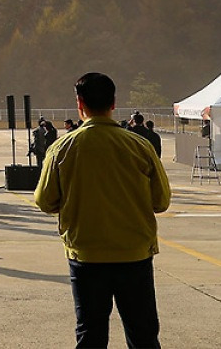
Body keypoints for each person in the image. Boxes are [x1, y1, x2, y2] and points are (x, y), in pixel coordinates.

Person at [35, 72, 171, 348]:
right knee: (143, 334)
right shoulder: (139, 146)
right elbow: (161, 201)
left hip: (86, 255)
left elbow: (45, 201)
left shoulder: (62, 148)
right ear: (113, 103)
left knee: (90, 334)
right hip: (134, 255)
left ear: (79, 103)